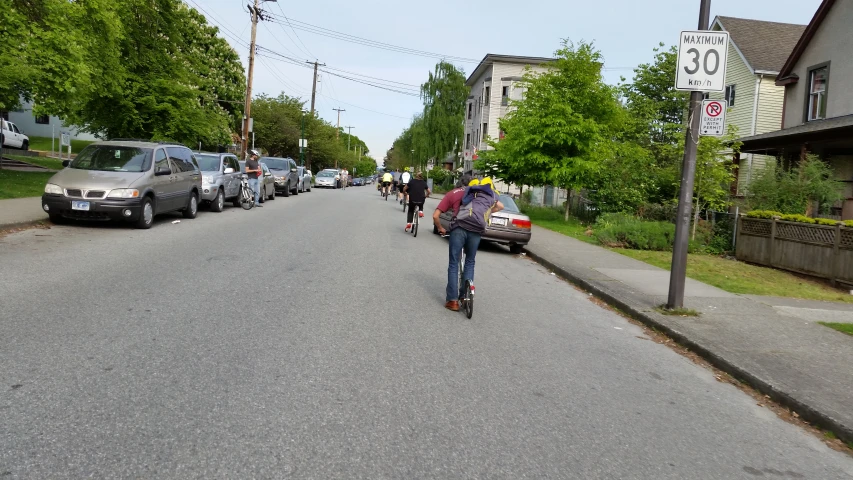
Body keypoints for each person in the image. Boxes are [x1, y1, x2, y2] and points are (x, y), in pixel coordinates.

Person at [433, 176, 504, 311]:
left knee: (454, 262)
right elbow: (500, 205)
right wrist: (488, 210)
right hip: (476, 230)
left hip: (459, 228)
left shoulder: (453, 194)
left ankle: (452, 301)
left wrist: (441, 228)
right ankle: (465, 296)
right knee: (470, 261)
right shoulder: (482, 194)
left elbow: (436, 215)